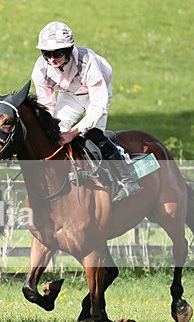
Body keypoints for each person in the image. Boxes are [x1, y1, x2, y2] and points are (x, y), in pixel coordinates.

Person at [31, 21, 141, 202]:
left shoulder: (87, 60)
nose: (52, 59)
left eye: (57, 53)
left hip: (95, 94)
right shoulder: (41, 68)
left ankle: (127, 179)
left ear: (69, 49)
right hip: (69, 95)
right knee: (53, 134)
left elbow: (98, 105)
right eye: (46, 54)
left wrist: (74, 133)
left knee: (93, 135)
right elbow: (46, 104)